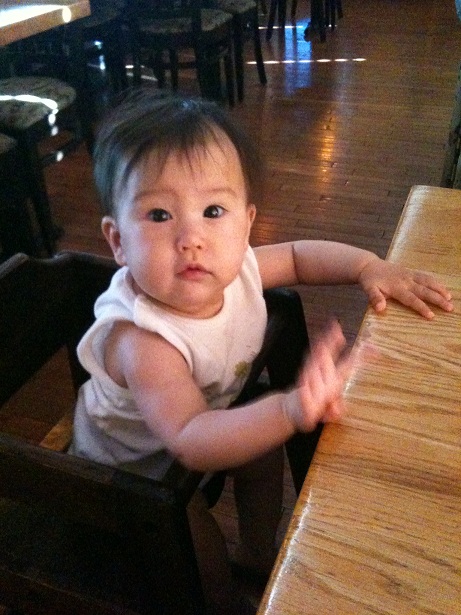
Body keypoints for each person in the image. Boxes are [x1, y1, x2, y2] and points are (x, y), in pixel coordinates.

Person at [69, 90, 453, 614]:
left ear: (246, 222)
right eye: (159, 214)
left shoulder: (237, 269)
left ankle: (256, 551)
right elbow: (191, 438)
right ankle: (223, 601)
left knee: (263, 453)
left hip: (203, 427)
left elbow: (297, 257)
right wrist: (290, 408)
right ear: (117, 241)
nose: (191, 238)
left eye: (213, 211)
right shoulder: (144, 340)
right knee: (194, 538)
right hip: (131, 476)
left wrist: (368, 267)